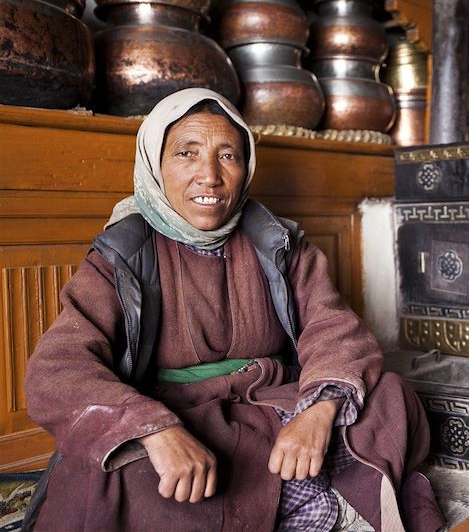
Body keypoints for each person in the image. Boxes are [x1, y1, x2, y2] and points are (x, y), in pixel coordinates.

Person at [23, 88, 445, 532]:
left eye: (228, 156)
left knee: (392, 397)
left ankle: (299, 503)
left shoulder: (276, 242)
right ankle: (314, 503)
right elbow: (58, 368)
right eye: (187, 153)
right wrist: (153, 431)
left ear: (245, 169)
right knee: (109, 475)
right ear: (154, 165)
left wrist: (317, 410)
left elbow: (333, 328)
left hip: (275, 400)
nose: (210, 176)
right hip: (179, 414)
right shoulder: (122, 254)